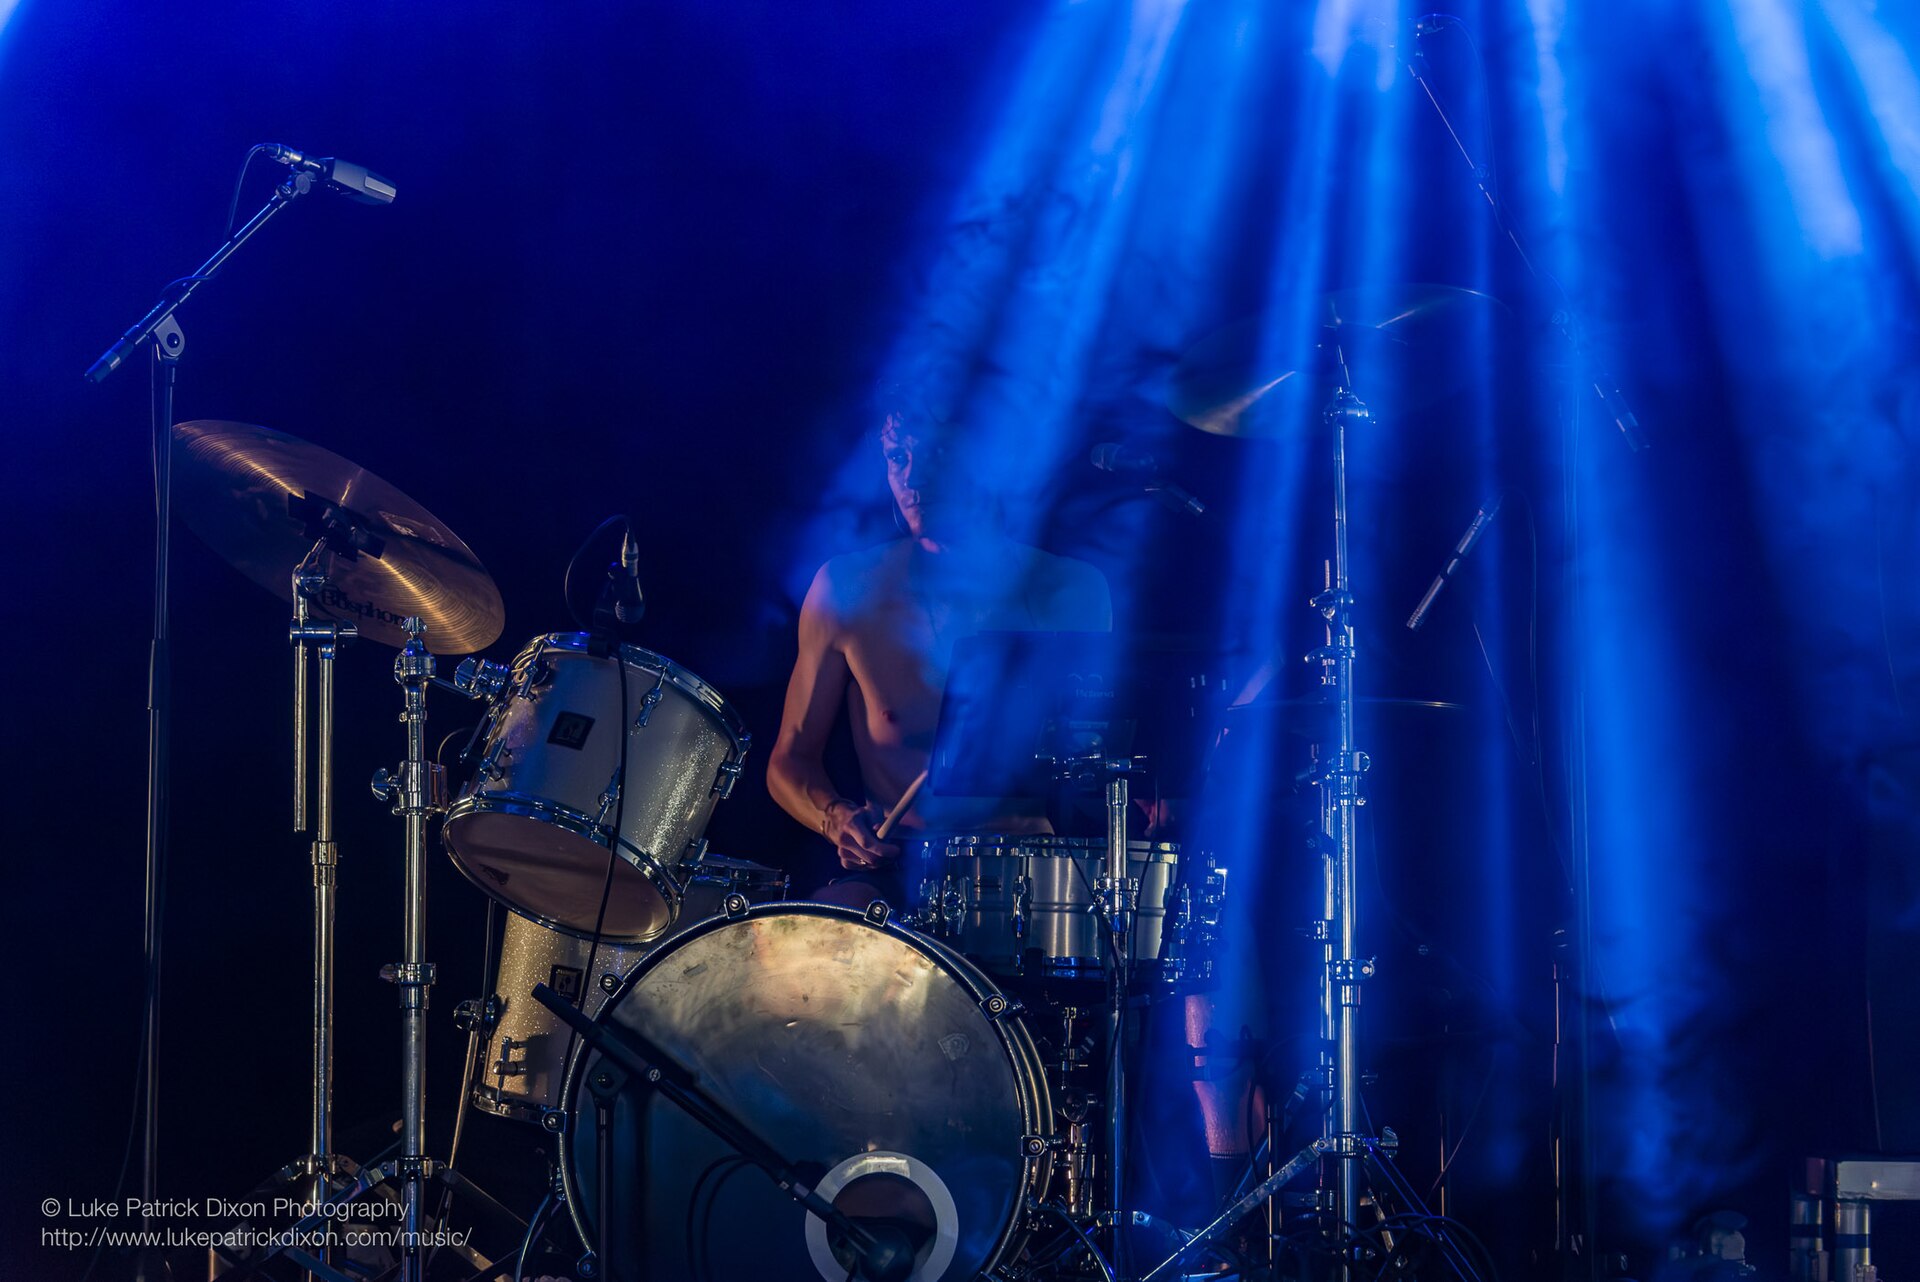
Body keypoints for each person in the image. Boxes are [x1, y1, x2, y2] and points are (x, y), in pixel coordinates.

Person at [767, 405, 1111, 904]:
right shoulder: (846, 589)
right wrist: (835, 816)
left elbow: (1101, 747)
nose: (913, 477)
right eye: (898, 457)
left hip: (1036, 867)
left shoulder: (1071, 590)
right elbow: (789, 759)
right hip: (901, 865)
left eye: (939, 455)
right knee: (815, 950)